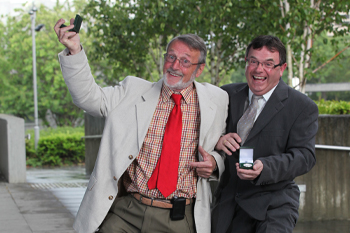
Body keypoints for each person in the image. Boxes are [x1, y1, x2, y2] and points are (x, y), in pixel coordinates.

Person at [54, 18, 228, 233]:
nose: (174, 66)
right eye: (171, 57)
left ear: (199, 70)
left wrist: (215, 163)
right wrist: (75, 51)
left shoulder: (217, 101)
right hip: (128, 211)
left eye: (184, 61)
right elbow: (89, 98)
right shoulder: (132, 91)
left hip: (179, 218)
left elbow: (222, 147)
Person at [211, 35, 318, 233]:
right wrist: (216, 141)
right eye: (254, 61)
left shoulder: (302, 106)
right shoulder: (225, 95)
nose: (259, 69)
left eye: (268, 64)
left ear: (282, 68)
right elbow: (201, 133)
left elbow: (305, 156)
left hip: (274, 207)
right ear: (246, 63)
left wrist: (265, 167)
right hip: (227, 205)